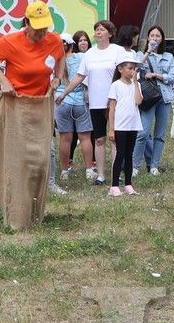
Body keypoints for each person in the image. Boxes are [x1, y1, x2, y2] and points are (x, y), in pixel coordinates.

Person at [0, 1, 66, 228]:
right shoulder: (12, 42)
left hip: (41, 107)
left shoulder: (53, 40)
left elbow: (60, 57)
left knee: (41, 160)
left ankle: (35, 214)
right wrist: (4, 81)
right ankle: (16, 216)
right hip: (16, 105)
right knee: (18, 162)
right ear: (26, 23)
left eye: (45, 27)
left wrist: (57, 77)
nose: (42, 32)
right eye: (37, 27)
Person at [55, 19, 118, 186]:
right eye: (96, 29)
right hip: (95, 103)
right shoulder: (89, 54)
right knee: (98, 140)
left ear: (110, 33)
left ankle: (116, 174)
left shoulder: (117, 51)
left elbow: (127, 73)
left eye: (102, 29)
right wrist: (63, 94)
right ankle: (101, 176)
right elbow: (79, 77)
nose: (98, 32)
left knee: (115, 139)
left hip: (114, 102)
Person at [54, 30, 95, 182]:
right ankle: (89, 170)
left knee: (65, 139)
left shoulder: (55, 61)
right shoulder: (81, 57)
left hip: (61, 102)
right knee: (85, 138)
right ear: (73, 45)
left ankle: (64, 171)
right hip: (80, 102)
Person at [133, 25, 173, 177]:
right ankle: (135, 166)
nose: (155, 38)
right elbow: (135, 70)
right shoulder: (140, 54)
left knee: (160, 134)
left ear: (162, 39)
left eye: (158, 36)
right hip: (148, 98)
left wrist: (157, 75)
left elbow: (172, 77)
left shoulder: (168, 56)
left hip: (164, 97)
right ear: (147, 38)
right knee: (142, 133)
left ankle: (154, 165)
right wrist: (148, 51)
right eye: (152, 36)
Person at [107, 53, 144, 196]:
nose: (132, 71)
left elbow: (139, 101)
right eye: (129, 68)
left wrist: (135, 83)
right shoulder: (116, 85)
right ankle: (114, 185)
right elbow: (112, 107)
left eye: (134, 68)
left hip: (133, 124)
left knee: (130, 154)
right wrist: (112, 128)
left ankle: (128, 184)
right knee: (120, 154)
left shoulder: (137, 85)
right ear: (121, 69)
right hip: (120, 126)